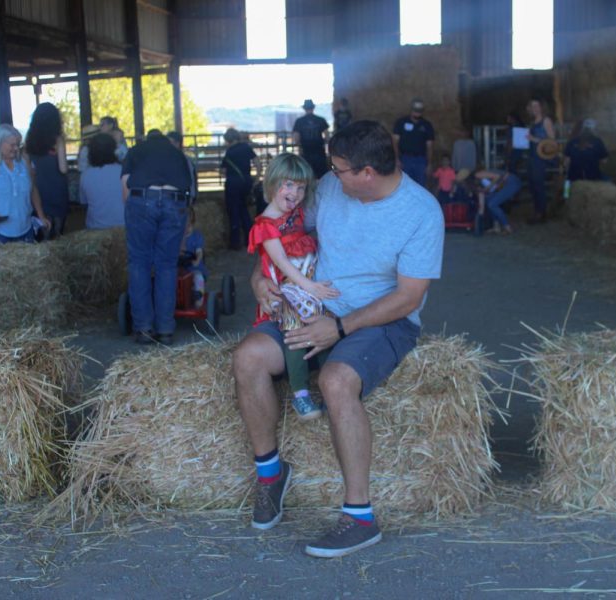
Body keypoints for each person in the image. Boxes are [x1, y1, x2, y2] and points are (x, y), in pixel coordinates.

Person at [232, 120, 444, 558]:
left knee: (336, 381)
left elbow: (409, 296)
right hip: (311, 305)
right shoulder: (331, 188)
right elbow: (283, 236)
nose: (330, 174)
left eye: (340, 168)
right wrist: (259, 278)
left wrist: (342, 328)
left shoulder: (421, 212)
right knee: (249, 357)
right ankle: (271, 474)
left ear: (367, 173)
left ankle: (360, 516)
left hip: (383, 320)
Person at [247, 153, 339, 421]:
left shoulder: (295, 212)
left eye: (300, 188)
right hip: (288, 285)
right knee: (296, 330)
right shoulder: (265, 225)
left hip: (305, 277)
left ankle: (328, 389)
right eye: (288, 185)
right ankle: (300, 395)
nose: (295, 193)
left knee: (324, 324)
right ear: (273, 183)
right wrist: (312, 287)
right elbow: (282, 264)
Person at [121, 128, 193, 345]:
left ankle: (143, 328)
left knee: (139, 263)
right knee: (167, 265)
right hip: (175, 202)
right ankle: (165, 329)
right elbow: (190, 191)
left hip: (142, 200)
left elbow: (125, 189)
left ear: (146, 139)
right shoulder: (178, 154)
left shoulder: (136, 151)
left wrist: (134, 213)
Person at [0, 124, 50, 250]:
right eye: (12, 145)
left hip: (24, 226)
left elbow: (33, 188)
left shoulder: (24, 159)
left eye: (18, 144)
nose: (16, 148)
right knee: (3, 266)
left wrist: (41, 215)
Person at [26, 102, 69, 239]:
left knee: (40, 226)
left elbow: (28, 170)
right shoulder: (57, 140)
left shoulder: (29, 141)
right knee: (56, 232)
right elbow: (63, 169)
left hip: (37, 188)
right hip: (57, 189)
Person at [221, 128, 260, 250]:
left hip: (232, 184)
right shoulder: (246, 148)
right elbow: (257, 162)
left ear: (228, 140)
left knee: (233, 212)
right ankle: (249, 240)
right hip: (246, 182)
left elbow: (223, 171)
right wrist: (257, 177)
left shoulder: (229, 152)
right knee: (244, 210)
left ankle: (235, 242)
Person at [79, 133, 124, 229]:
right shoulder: (124, 171)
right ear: (113, 150)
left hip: (96, 228)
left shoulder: (85, 175)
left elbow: (84, 203)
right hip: (123, 226)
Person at [525, 98, 556, 224]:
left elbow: (552, 140)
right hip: (532, 155)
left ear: (542, 107)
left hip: (541, 156)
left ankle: (541, 213)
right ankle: (537, 210)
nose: (535, 109)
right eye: (532, 106)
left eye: (537, 106)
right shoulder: (532, 122)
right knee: (532, 184)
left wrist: (533, 139)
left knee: (538, 184)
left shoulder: (546, 120)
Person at [393, 98, 435, 187]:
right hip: (405, 159)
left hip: (421, 160)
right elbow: (395, 142)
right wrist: (396, 159)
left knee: (420, 186)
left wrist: (429, 164)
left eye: (420, 111)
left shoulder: (427, 125)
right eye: (415, 110)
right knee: (404, 186)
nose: (417, 113)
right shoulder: (401, 122)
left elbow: (430, 146)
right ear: (411, 109)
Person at [473, 168, 522, 235]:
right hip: (511, 181)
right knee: (489, 200)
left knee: (492, 204)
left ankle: (507, 227)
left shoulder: (478, 174)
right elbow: (496, 185)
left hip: (511, 182)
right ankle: (496, 227)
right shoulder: (480, 178)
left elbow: (497, 177)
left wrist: (488, 188)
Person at [292, 99, 330, 179]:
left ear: (304, 108)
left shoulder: (299, 121)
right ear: (313, 108)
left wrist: (299, 146)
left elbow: (296, 138)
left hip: (306, 152)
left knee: (306, 176)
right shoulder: (321, 120)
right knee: (321, 176)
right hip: (319, 152)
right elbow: (327, 136)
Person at [564, 118, 609, 182]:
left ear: (582, 129)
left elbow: (566, 162)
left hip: (574, 178)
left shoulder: (572, 142)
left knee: (568, 181)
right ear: (593, 129)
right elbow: (604, 161)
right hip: (593, 177)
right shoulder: (598, 142)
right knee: (608, 180)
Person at [180, 205, 207, 307]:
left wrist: (197, 260)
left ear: (193, 224)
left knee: (198, 277)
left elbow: (199, 251)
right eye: (184, 226)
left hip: (193, 268)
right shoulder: (176, 237)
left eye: (190, 226)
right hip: (179, 268)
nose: (187, 229)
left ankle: (198, 298)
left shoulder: (196, 236)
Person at [166, 131, 198, 201]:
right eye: (169, 143)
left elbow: (191, 178)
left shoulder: (185, 159)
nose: (170, 145)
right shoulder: (164, 158)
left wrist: (192, 195)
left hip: (179, 195)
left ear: (178, 143)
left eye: (173, 142)